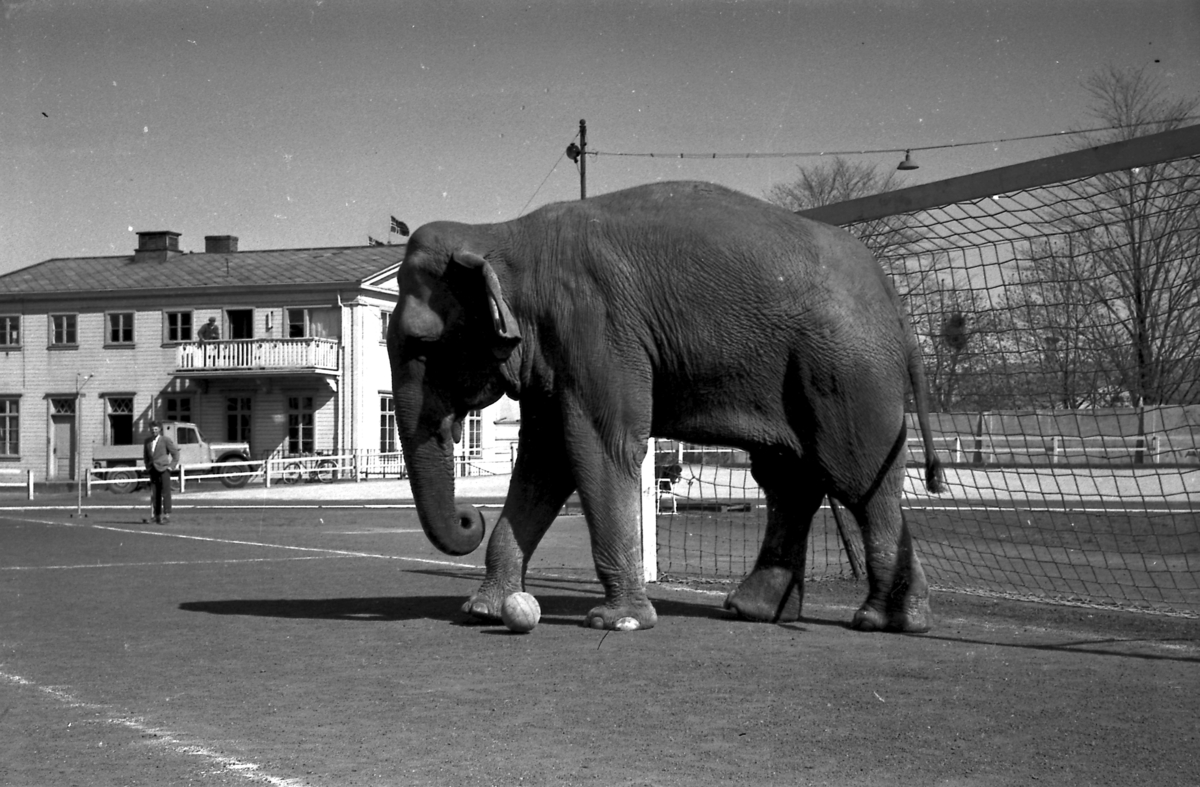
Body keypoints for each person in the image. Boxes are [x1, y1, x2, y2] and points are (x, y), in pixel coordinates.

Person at [143, 421, 180, 525]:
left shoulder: (165, 440)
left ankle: (166, 515)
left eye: (156, 429)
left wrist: (171, 467)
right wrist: (148, 467)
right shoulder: (147, 441)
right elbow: (146, 456)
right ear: (150, 430)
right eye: (152, 429)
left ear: (159, 430)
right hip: (153, 470)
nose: (154, 431)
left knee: (166, 493)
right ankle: (156, 516)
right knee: (155, 494)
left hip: (164, 470)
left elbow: (175, 454)